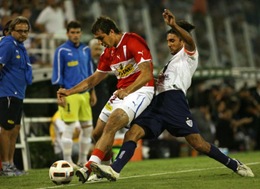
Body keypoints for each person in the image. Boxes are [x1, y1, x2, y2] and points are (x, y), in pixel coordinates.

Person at [89, 9, 255, 181]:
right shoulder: (170, 62)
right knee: (132, 133)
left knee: (198, 143)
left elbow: (191, 42)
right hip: (157, 102)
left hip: (173, 100)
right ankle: (113, 170)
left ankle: (234, 164)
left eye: (173, 40)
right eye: (168, 41)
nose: (169, 44)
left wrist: (174, 25)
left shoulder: (189, 55)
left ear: (182, 41)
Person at [57, 16, 155, 183]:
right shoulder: (108, 53)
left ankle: (89, 166)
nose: (100, 42)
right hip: (122, 92)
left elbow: (147, 74)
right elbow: (93, 80)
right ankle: (104, 169)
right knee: (97, 133)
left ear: (111, 31)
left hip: (141, 90)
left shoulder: (133, 41)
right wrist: (69, 91)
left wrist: (128, 90)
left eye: (101, 38)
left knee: (113, 122)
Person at [52, 20, 96, 168]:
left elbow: (91, 74)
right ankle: (67, 160)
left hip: (86, 94)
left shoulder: (86, 50)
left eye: (78, 32)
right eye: (72, 32)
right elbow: (57, 75)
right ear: (67, 33)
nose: (75, 35)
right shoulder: (61, 51)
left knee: (88, 128)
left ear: (81, 33)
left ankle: (83, 160)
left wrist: (93, 92)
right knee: (69, 127)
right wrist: (60, 95)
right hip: (69, 93)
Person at [0, 16, 32, 176]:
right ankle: (5, 165)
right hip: (7, 93)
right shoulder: (7, 43)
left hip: (18, 94)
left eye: (26, 31)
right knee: (6, 129)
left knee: (15, 129)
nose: (23, 34)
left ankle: (11, 164)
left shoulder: (21, 47)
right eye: (19, 31)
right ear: (11, 31)